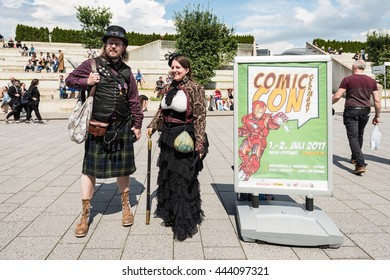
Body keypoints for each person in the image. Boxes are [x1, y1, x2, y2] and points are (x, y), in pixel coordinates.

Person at [65, 25, 143, 238]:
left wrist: (137, 124)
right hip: (97, 127)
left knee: (123, 170)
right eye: (110, 42)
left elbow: (134, 100)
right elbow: (69, 80)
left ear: (123, 47)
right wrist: (86, 81)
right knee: (89, 170)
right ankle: (84, 214)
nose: (114, 46)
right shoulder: (91, 64)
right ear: (105, 45)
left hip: (122, 127)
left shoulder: (127, 71)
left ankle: (126, 206)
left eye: (118, 43)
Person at [146, 53, 208, 242]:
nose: (174, 70)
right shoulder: (167, 88)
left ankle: (184, 219)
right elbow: (161, 112)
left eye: (178, 67)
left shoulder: (195, 88)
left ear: (186, 69)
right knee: (168, 176)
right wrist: (151, 126)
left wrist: (199, 142)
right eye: (172, 67)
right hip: (167, 136)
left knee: (183, 178)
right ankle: (170, 212)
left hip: (185, 137)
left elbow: (200, 117)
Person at [332, 60, 381, 175]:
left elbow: (338, 95)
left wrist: (328, 104)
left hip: (351, 110)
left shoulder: (347, 80)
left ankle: (360, 164)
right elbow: (377, 101)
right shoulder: (372, 81)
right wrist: (377, 115)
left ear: (354, 67)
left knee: (353, 136)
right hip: (365, 110)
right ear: (363, 68)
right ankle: (355, 158)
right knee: (360, 134)